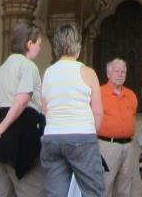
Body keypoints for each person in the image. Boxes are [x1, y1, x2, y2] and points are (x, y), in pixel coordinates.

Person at [39, 23, 106, 197]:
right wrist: (91, 136)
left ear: (56, 46)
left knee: (55, 193)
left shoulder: (48, 73)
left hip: (52, 136)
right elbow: (98, 111)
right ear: (78, 46)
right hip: (81, 134)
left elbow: (45, 109)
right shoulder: (87, 72)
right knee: (93, 191)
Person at [0, 22, 46, 197]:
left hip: (1, 141)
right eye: (38, 44)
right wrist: (0, 128)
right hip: (23, 135)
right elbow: (22, 101)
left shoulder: (1, 70)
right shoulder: (28, 66)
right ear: (29, 44)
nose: (40, 48)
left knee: (3, 192)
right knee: (32, 191)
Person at [97, 58, 138, 197]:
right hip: (107, 145)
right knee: (105, 183)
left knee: (126, 186)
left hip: (128, 145)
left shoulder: (131, 95)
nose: (120, 74)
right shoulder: (100, 93)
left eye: (123, 72)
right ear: (108, 74)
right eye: (117, 71)